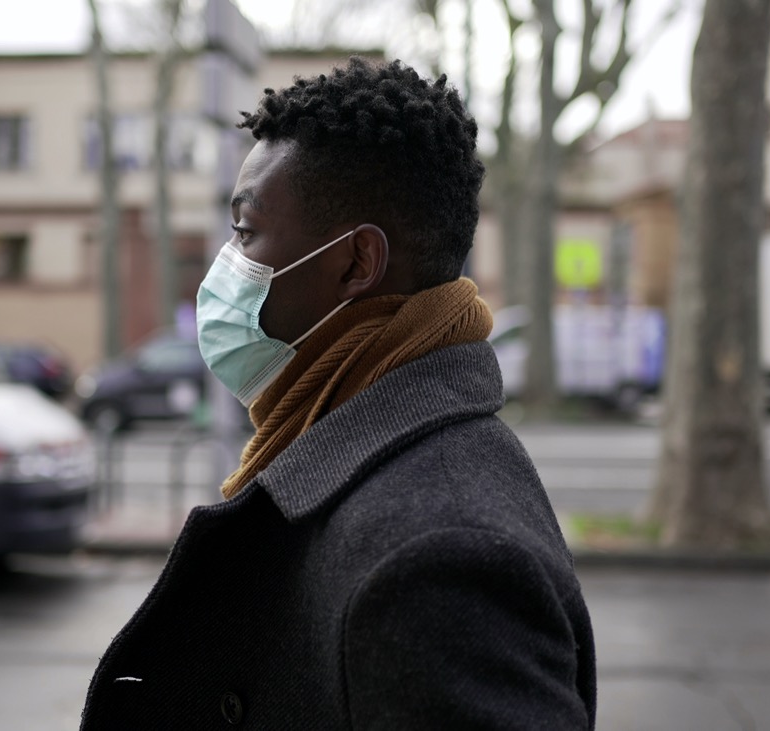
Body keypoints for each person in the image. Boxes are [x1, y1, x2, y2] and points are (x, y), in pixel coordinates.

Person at [80, 57, 596, 730]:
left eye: (245, 232)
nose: (223, 270)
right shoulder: (383, 455)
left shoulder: (437, 559)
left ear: (356, 263)